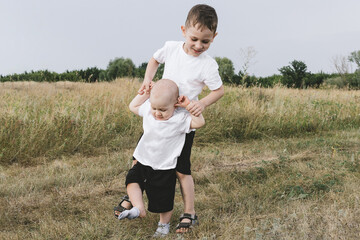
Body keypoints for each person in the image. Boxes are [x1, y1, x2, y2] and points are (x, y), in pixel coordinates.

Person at [114, 3, 224, 233]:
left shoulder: (207, 65)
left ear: (214, 37)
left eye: (205, 41)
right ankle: (134, 196)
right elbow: (154, 60)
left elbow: (218, 91)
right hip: (158, 115)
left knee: (181, 170)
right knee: (140, 158)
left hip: (182, 123)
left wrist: (199, 104)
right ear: (183, 30)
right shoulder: (171, 48)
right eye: (194, 38)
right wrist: (147, 80)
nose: (198, 45)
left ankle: (189, 212)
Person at [116, 79, 205, 237]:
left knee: (163, 199)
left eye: (163, 109)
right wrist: (146, 94)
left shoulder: (179, 120)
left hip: (164, 166)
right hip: (143, 160)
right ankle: (138, 208)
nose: (157, 113)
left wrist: (188, 106)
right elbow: (133, 106)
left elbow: (199, 123)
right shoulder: (149, 112)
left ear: (175, 105)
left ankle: (163, 224)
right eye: (155, 107)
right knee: (131, 180)